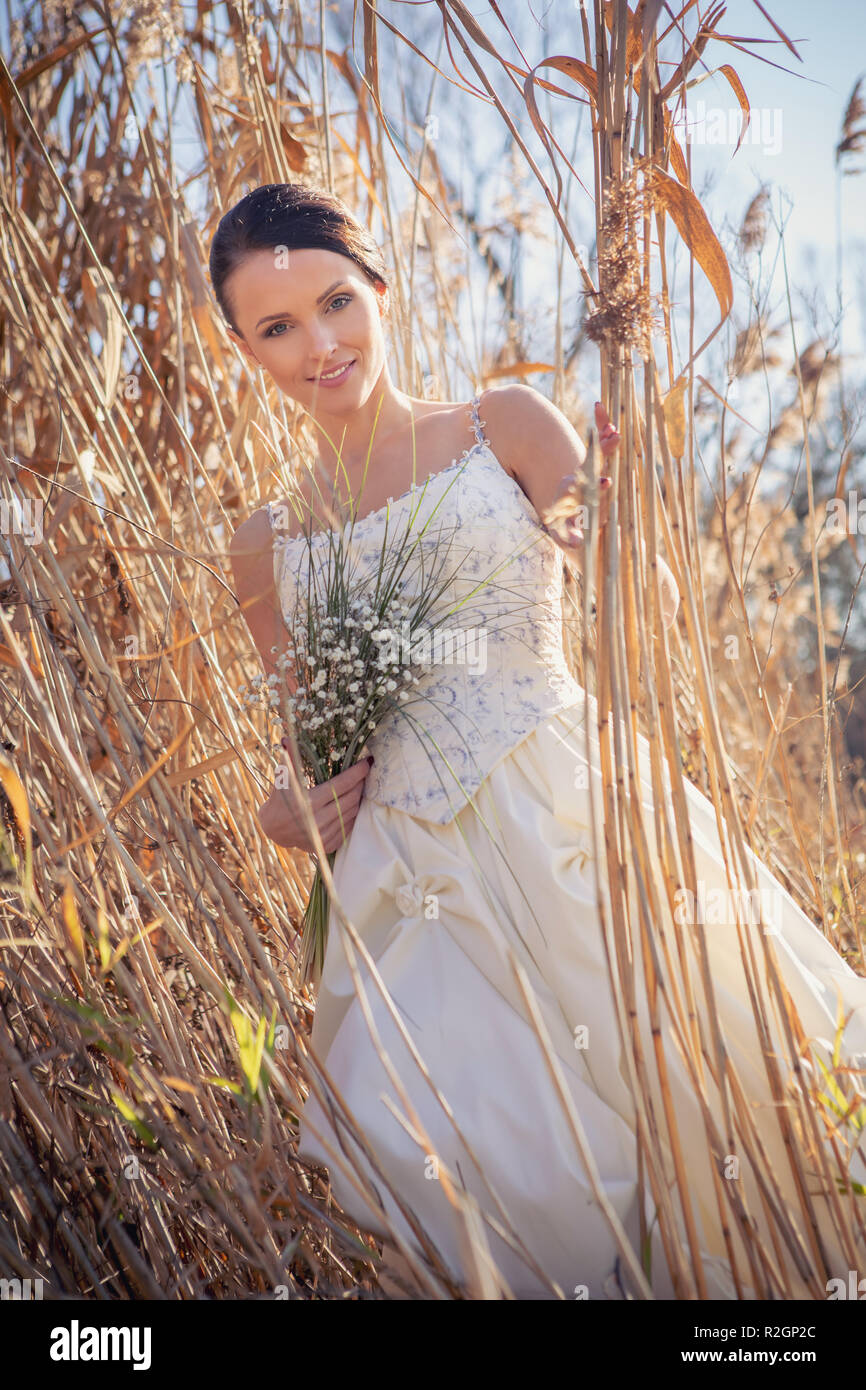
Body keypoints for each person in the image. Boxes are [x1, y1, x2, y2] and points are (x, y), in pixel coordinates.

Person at [217, 183, 866, 1300]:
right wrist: (285, 814)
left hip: (573, 807)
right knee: (467, 1158)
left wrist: (622, 509)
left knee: (719, 1099)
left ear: (380, 289)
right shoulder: (264, 544)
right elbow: (310, 734)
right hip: (409, 880)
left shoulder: (501, 427)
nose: (319, 343)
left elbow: (634, 588)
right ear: (241, 347)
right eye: (276, 326)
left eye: (335, 302)